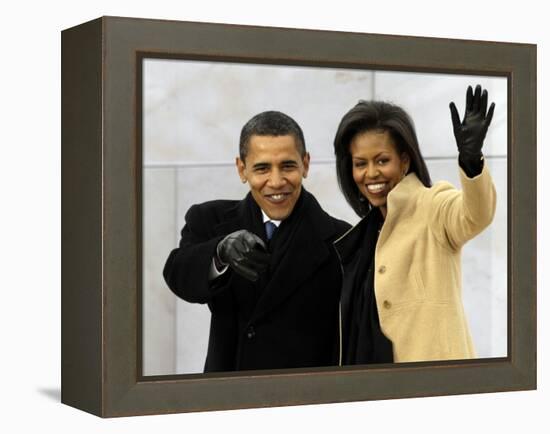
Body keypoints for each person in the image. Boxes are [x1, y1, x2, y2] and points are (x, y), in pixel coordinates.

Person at [163, 110, 350, 372]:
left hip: (305, 401)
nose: (276, 182)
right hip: (229, 397)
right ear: (242, 169)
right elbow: (177, 274)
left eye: (287, 166)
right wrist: (220, 253)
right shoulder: (209, 219)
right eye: (262, 168)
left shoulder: (344, 239)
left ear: (305, 164)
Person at [332, 85, 497, 364]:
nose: (371, 173)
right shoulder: (363, 235)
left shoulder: (432, 206)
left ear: (404, 160)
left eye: (382, 160)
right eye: (361, 163)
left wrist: (471, 161)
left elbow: (474, 215)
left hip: (437, 389)